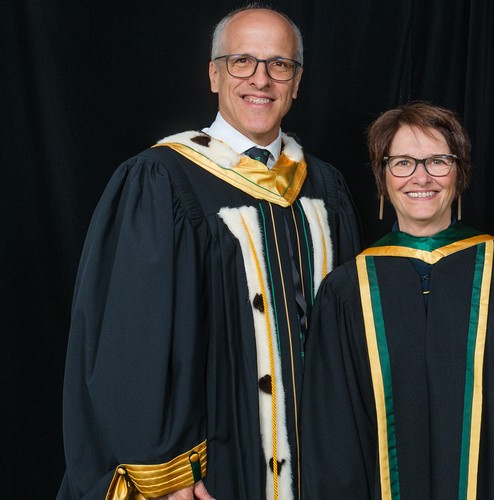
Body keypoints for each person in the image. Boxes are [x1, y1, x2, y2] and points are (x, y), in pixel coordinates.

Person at [58, 6, 360, 500]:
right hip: (217, 464)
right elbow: (131, 341)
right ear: (214, 74)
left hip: (322, 467)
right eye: (242, 61)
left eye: (279, 64)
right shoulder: (162, 181)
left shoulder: (324, 186)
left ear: (297, 81)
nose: (260, 79)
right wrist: (167, 470)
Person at [300, 102, 494, 499]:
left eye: (438, 160)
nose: (421, 176)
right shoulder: (346, 291)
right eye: (402, 162)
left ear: (461, 173)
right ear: (382, 177)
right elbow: (334, 440)